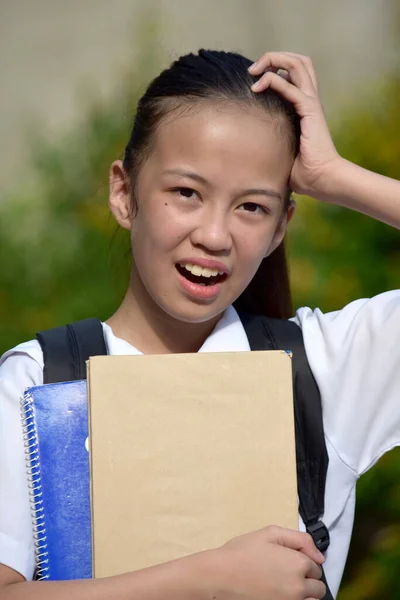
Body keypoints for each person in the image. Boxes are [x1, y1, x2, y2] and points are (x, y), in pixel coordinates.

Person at [0, 49, 399, 600]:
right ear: (124, 193)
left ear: (283, 225)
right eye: (187, 193)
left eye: (252, 207)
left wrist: (335, 176)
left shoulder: (324, 368)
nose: (215, 235)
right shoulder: (40, 381)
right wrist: (207, 576)